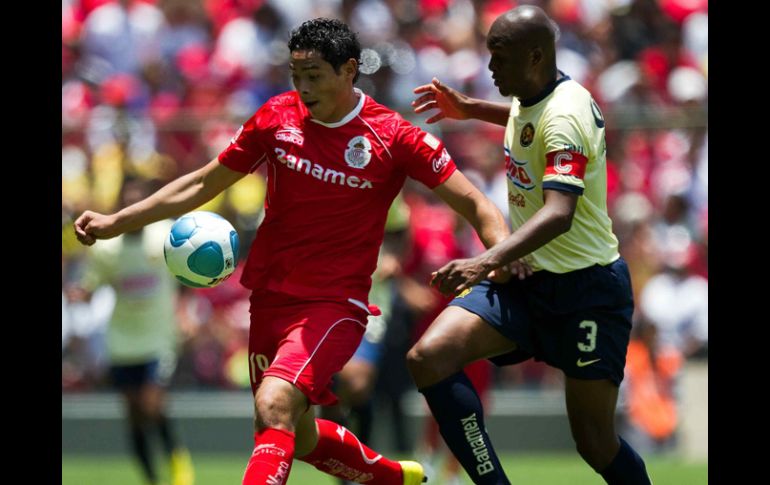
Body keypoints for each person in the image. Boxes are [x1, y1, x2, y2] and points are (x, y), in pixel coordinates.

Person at [75, 18, 511, 485]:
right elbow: (205, 181)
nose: (302, 88)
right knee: (289, 432)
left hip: (334, 304)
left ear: (348, 70)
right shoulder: (276, 118)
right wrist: (118, 221)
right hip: (269, 298)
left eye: (315, 76)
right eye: (295, 75)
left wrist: (501, 258)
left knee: (274, 404)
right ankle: (389, 477)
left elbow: (475, 202)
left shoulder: (394, 137)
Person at [407, 5, 652, 485]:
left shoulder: (565, 116)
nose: (491, 68)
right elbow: (526, 119)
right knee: (429, 357)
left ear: (535, 56)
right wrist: (472, 109)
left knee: (595, 444)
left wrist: (484, 262)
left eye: (500, 58)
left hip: (587, 293)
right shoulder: (537, 92)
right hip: (528, 283)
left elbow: (559, 214)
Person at [74, 177, 194, 485]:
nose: (133, 208)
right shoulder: (107, 248)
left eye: (138, 202)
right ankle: (150, 477)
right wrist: (79, 293)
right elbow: (90, 286)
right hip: (122, 338)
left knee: (152, 404)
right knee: (134, 415)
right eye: (127, 203)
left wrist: (185, 311)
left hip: (159, 336)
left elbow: (187, 271)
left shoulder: (166, 233)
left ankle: (178, 462)